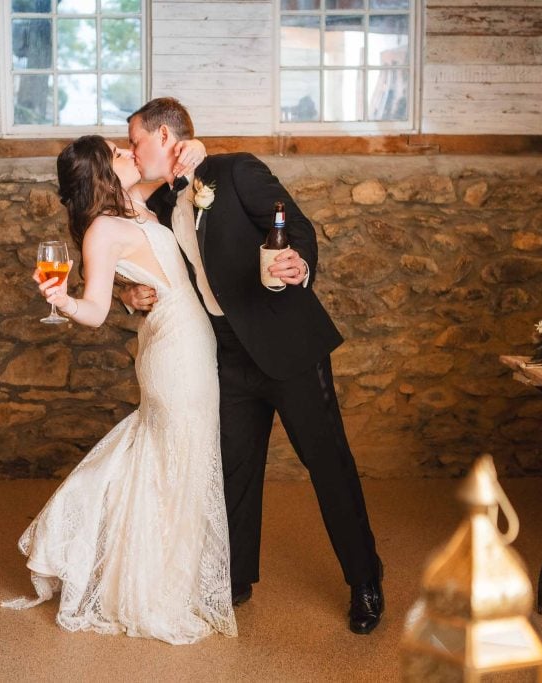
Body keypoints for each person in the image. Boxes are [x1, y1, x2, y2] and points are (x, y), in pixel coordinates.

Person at [122, 97, 384, 635]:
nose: (131, 150)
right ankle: (236, 579)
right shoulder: (163, 199)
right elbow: (145, 257)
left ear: (167, 136)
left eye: (137, 141)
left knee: (327, 464)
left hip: (286, 344)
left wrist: (298, 262)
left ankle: (365, 579)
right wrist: (130, 292)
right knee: (235, 471)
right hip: (223, 353)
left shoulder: (235, 171)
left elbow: (297, 226)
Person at [1, 135, 237, 645]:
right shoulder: (102, 230)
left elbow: (171, 166)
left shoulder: (135, 206)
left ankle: (161, 578)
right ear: (103, 173)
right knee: (175, 462)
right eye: (119, 153)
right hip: (174, 351)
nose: (131, 154)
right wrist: (62, 299)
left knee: (174, 462)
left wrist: (192, 144)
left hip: (188, 338)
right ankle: (153, 592)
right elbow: (95, 311)